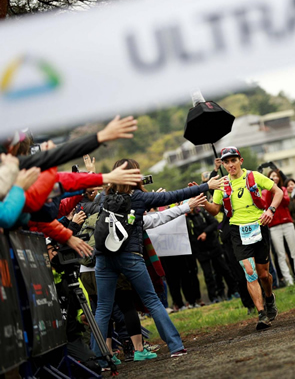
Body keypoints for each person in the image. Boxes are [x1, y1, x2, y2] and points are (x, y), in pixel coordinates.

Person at [93, 158, 223, 358]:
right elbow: (175, 195)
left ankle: (98, 358)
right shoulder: (138, 197)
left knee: (103, 308)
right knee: (152, 301)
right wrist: (207, 185)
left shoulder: (103, 197)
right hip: (130, 256)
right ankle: (176, 347)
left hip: (103, 257)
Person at [203, 147, 283, 330]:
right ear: (222, 164)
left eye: (233, 161)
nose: (230, 165)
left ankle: (269, 297)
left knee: (263, 274)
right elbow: (215, 209)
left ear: (241, 160)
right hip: (237, 230)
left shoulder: (253, 177)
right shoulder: (222, 184)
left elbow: (277, 192)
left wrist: (270, 211)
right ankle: (262, 313)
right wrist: (203, 202)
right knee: (249, 271)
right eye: (226, 162)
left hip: (259, 226)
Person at [264, 170, 295, 285]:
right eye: (272, 177)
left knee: (294, 252)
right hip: (274, 226)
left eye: (276, 176)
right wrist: (270, 189)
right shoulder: (266, 192)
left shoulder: (283, 189)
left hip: (287, 224)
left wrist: (277, 190)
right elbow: (266, 204)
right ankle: (288, 280)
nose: (274, 178)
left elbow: (286, 201)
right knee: (280, 254)